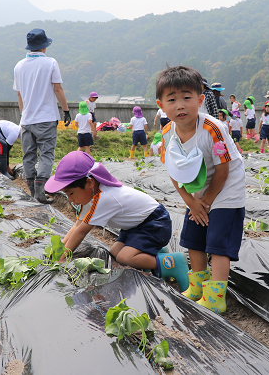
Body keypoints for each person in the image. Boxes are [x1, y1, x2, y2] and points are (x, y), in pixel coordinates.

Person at [156, 66, 245, 314]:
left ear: (201, 100)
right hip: (198, 189)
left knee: (217, 242)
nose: (180, 105)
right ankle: (196, 285)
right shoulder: (166, 135)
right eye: (172, 100)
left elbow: (224, 171)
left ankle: (216, 297)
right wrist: (192, 203)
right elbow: (174, 172)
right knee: (193, 236)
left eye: (187, 97)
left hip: (226, 188)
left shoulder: (212, 129)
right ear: (161, 105)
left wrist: (205, 201)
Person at [44, 151, 189, 290]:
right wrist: (57, 252)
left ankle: (173, 263)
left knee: (125, 258)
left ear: (89, 183)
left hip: (155, 223)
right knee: (114, 254)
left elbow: (81, 232)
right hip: (134, 226)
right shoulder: (90, 196)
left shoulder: (104, 198)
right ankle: (156, 253)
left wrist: (62, 258)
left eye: (71, 193)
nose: (69, 199)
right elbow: (76, 226)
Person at [14, 28, 71, 203]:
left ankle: (32, 191)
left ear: (29, 47)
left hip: (27, 120)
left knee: (29, 156)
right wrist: (66, 110)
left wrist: (25, 114)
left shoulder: (19, 66)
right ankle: (40, 191)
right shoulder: (50, 63)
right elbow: (58, 88)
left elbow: (19, 95)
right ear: (44, 46)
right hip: (46, 119)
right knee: (46, 155)